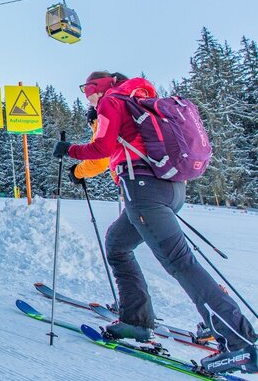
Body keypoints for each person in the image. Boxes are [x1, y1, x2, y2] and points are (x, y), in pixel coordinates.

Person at [54, 71, 257, 373]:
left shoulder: (112, 101)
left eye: (88, 91)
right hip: (172, 189)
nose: (88, 98)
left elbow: (103, 148)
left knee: (180, 263)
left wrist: (68, 150)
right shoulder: (140, 99)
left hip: (144, 192)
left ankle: (240, 342)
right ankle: (135, 321)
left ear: (98, 88)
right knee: (117, 245)